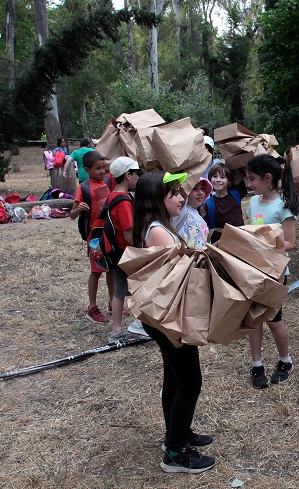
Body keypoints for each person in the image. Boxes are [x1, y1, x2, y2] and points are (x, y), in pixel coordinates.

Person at [133, 170, 215, 474]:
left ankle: (176, 435)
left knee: (175, 378)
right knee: (190, 382)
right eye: (174, 194)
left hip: (165, 316)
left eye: (181, 192)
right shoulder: (157, 231)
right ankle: (176, 453)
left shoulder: (158, 226)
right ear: (157, 198)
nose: (181, 197)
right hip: (169, 318)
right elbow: (178, 274)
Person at [244, 153, 299, 388]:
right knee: (253, 319)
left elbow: (290, 243)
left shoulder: (283, 206)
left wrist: (264, 244)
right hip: (253, 269)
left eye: (252, 179)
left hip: (275, 271)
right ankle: (257, 365)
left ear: (267, 178)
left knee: (274, 321)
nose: (249, 184)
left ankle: (285, 361)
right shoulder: (253, 203)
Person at [69, 151, 114, 324]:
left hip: (109, 232)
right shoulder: (84, 188)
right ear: (87, 170)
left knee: (111, 269)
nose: (102, 171)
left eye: (104, 167)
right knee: (97, 271)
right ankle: (92, 307)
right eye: (98, 168)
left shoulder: (108, 181)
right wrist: (78, 209)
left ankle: (113, 302)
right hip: (95, 236)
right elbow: (72, 215)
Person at [105, 157, 146, 341]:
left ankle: (116, 330)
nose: (138, 177)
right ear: (128, 175)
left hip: (116, 253)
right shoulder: (123, 201)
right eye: (137, 173)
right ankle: (138, 324)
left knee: (120, 290)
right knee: (138, 288)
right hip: (126, 252)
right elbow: (128, 232)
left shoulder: (112, 195)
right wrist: (140, 251)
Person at [203, 162, 244, 243]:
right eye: (215, 176)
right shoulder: (208, 204)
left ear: (229, 180)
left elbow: (246, 170)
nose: (218, 180)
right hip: (221, 245)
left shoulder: (236, 193)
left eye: (222, 177)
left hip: (241, 239)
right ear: (210, 179)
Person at [171, 176, 212, 249]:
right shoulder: (181, 212)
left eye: (202, 189)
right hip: (185, 259)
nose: (200, 193)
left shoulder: (200, 218)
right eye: (194, 189)